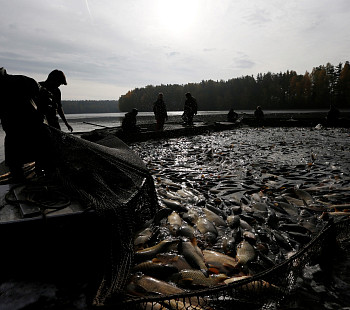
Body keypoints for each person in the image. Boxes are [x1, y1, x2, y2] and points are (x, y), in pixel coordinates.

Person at [0, 67, 56, 181]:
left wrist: (41, 113)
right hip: (13, 132)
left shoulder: (21, 81)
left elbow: (47, 95)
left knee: (46, 158)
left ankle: (48, 179)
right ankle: (19, 182)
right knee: (14, 163)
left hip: (35, 127)